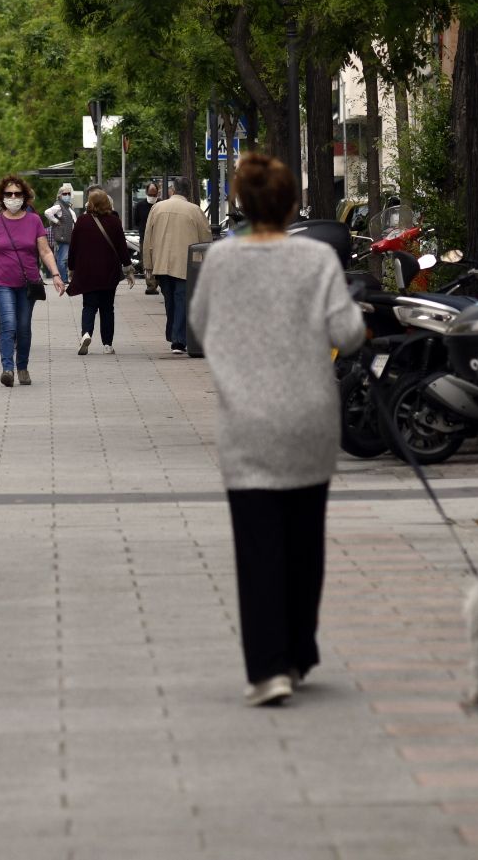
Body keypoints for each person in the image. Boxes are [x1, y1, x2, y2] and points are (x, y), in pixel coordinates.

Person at [189, 153, 365, 707]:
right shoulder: (316, 258)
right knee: (304, 540)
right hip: (308, 417)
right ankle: (299, 650)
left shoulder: (221, 260)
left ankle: (268, 668)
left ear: (242, 203)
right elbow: (347, 332)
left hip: (246, 420)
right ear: (291, 205)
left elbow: (198, 324)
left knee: (257, 544)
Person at [0, 175, 66, 387]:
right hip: (2, 283)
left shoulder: (34, 221)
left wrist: (56, 274)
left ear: (24, 196)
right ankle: (7, 369)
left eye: (17, 194)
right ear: (2, 197)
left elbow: (45, 250)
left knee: (23, 327)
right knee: (8, 324)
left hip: (28, 283)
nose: (13, 197)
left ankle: (22, 367)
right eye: (9, 194)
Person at [145, 175, 212, 355]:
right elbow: (205, 239)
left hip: (161, 262)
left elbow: (148, 237)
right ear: (188, 192)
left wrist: (148, 264)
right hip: (185, 263)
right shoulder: (195, 210)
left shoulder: (157, 208)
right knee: (181, 299)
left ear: (172, 190)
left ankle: (174, 335)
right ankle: (178, 340)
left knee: (170, 300)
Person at [67, 189, 133, 355]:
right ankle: (107, 344)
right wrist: (128, 269)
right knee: (107, 308)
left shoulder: (82, 221)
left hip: (87, 271)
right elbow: (122, 248)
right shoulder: (114, 221)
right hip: (109, 271)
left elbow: (73, 247)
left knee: (89, 305)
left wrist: (71, 268)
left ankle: (86, 334)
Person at [43, 183, 77, 283]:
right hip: (63, 236)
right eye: (65, 194)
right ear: (60, 195)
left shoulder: (67, 206)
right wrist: (56, 221)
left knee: (65, 259)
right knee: (62, 259)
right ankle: (64, 279)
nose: (67, 195)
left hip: (68, 236)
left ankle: (65, 278)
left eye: (69, 193)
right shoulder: (58, 205)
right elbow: (47, 212)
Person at [133, 182, 160, 294]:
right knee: (146, 262)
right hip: (144, 238)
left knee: (158, 261)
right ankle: (150, 285)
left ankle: (157, 282)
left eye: (154, 195)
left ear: (157, 193)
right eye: (150, 194)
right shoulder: (140, 206)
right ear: (146, 192)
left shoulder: (161, 204)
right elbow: (136, 221)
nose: (152, 197)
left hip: (158, 238)